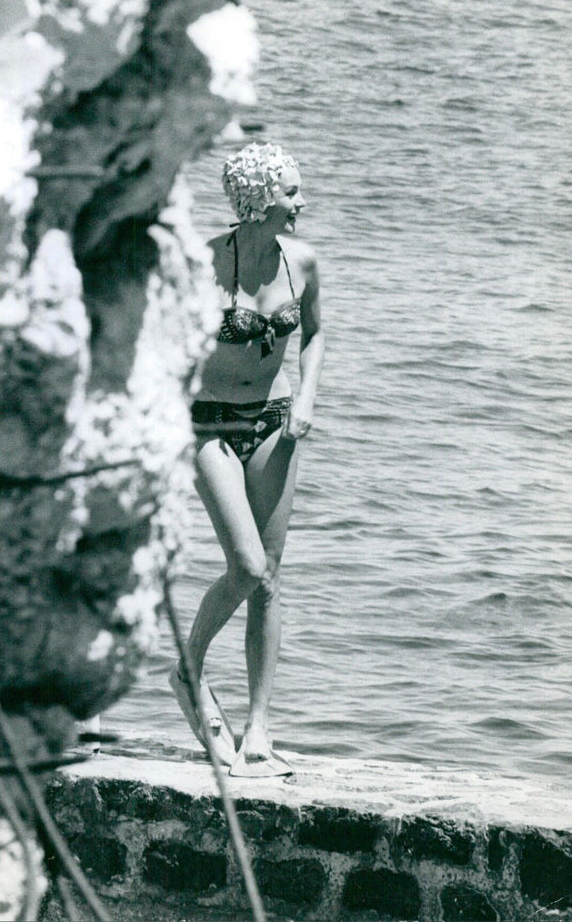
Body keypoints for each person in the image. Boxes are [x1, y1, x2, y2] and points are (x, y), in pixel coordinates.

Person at [170, 142, 324, 776]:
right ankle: (187, 669)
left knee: (270, 578)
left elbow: (313, 332)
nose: (301, 202)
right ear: (260, 201)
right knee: (247, 565)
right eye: (291, 192)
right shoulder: (204, 264)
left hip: (273, 422)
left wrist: (307, 395)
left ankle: (258, 729)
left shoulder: (304, 260)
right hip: (207, 424)